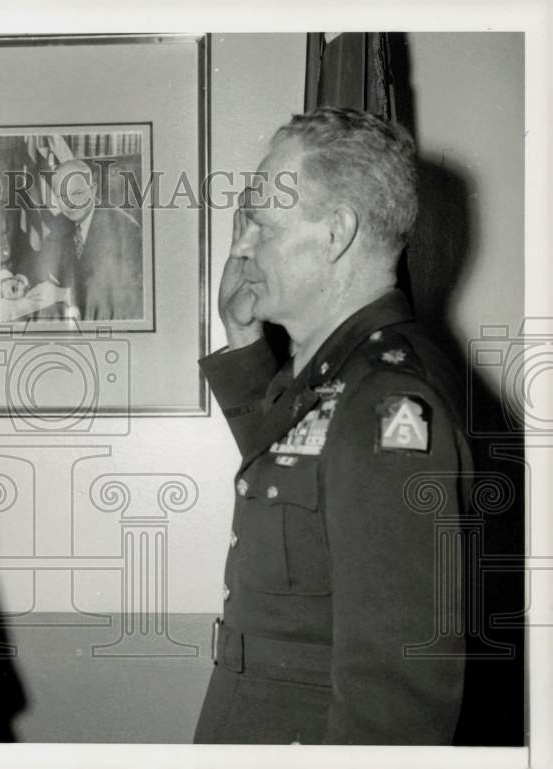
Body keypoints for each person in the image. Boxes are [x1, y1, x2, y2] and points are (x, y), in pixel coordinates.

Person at [194, 107, 470, 745]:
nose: (240, 245)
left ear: (337, 232)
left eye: (260, 224)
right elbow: (301, 482)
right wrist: (242, 341)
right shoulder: (340, 370)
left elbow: (398, 683)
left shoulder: (389, 395)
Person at [51, 158, 143, 321]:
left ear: (92, 190)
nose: (69, 204)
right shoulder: (57, 224)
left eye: (77, 194)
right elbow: (36, 263)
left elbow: (133, 295)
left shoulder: (126, 229)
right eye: (61, 196)